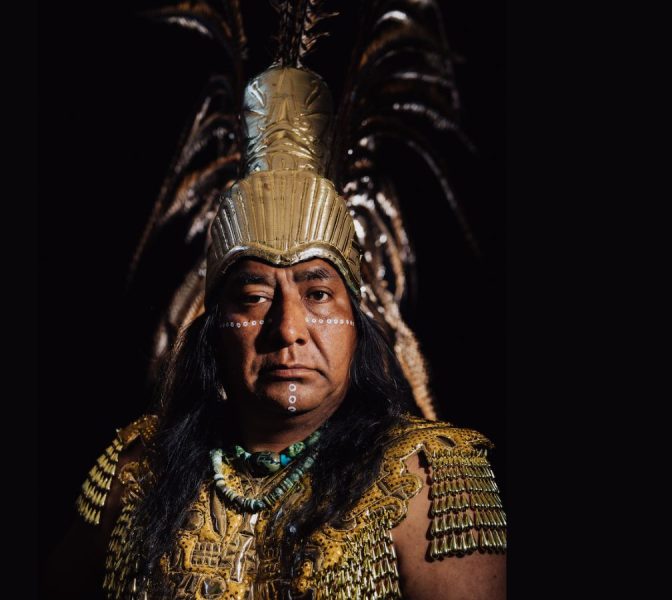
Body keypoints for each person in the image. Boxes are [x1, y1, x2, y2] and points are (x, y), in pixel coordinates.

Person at [44, 3, 505, 598]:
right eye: (255, 296)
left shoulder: (430, 478)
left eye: (318, 294)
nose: (288, 328)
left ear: (356, 323)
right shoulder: (137, 465)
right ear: (216, 325)